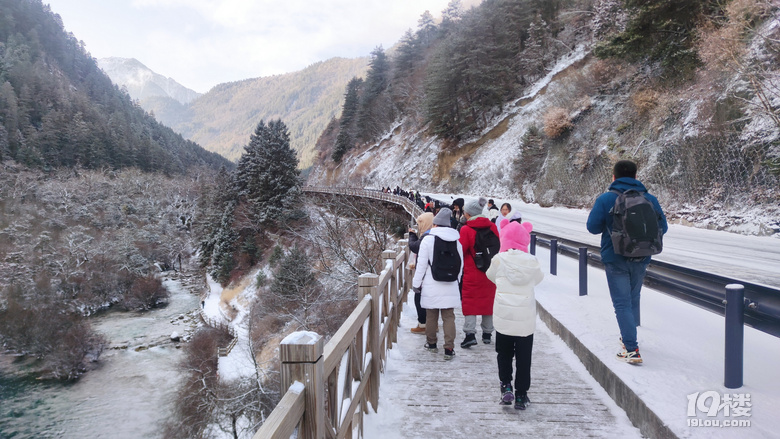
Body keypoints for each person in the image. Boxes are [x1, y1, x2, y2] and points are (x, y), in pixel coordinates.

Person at [586, 159, 668, 364]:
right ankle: (628, 336)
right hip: (642, 256)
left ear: (613, 177)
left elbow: (592, 227)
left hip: (616, 257)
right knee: (632, 297)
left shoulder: (606, 199)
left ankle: (631, 349)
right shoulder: (649, 198)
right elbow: (663, 228)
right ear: (636, 176)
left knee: (621, 303)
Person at [486, 220, 544, 410]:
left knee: (503, 354)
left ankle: (506, 387)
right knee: (524, 357)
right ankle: (521, 395)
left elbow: (490, 276)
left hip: (504, 318)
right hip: (525, 321)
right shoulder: (532, 263)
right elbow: (538, 279)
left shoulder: (498, 259)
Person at [412, 208, 463, 360]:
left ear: (436, 224)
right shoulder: (456, 241)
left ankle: (432, 344)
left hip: (431, 283)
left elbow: (421, 265)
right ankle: (449, 348)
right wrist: (457, 281)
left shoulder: (428, 240)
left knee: (431, 315)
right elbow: (461, 265)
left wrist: (416, 284)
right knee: (449, 317)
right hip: (450, 283)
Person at [458, 197, 499, 348]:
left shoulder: (466, 229)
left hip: (472, 271)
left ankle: (470, 334)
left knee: (470, 301)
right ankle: (487, 334)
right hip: (490, 272)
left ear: (468, 214)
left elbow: (461, 250)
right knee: (488, 301)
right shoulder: (493, 228)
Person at [408, 212, 435, 334]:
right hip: (433, 273)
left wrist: (411, 235)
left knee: (419, 298)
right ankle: (431, 324)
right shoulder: (435, 234)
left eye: (420, 223)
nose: (418, 226)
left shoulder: (427, 236)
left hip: (426, 274)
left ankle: (423, 324)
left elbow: (414, 247)